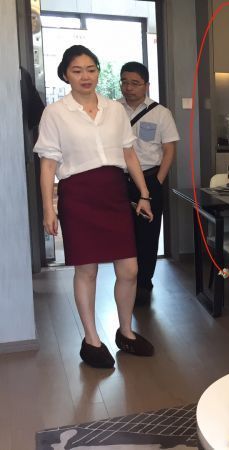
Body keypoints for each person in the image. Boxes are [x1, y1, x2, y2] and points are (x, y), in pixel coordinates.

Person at [34, 45, 156, 369]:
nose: (85, 76)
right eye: (77, 71)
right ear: (65, 74)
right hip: (78, 196)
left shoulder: (114, 109)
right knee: (86, 271)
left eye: (91, 69)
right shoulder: (55, 113)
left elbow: (129, 153)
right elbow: (48, 165)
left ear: (99, 71)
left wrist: (144, 193)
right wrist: (48, 209)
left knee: (129, 269)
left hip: (114, 193)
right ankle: (91, 340)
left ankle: (126, 332)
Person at [118, 61, 179, 305]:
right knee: (122, 233)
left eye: (135, 83)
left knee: (148, 235)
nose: (129, 88)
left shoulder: (161, 113)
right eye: (125, 82)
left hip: (150, 178)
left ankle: (144, 283)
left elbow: (169, 149)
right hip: (120, 180)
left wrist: (158, 181)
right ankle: (126, 281)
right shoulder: (113, 110)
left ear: (146, 85)